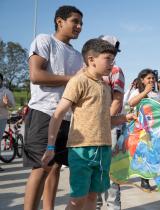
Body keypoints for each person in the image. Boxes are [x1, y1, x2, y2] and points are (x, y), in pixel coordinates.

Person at [41, 38, 134, 210]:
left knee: (92, 197)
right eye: (108, 59)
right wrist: (50, 146)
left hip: (104, 149)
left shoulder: (106, 87)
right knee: (77, 199)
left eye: (113, 60)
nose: (112, 64)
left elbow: (105, 120)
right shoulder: (79, 81)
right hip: (81, 149)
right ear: (91, 59)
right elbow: (58, 113)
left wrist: (124, 118)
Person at [23, 6, 84, 210]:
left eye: (81, 23)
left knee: (56, 167)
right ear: (60, 21)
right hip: (44, 112)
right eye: (75, 21)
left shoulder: (77, 55)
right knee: (42, 167)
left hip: (66, 118)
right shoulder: (44, 40)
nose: (79, 26)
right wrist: (72, 79)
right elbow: (36, 75)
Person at [96, 35, 125, 210]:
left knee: (110, 170)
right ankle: (96, 205)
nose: (110, 53)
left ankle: (113, 206)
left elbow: (117, 101)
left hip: (110, 127)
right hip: (91, 128)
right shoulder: (88, 69)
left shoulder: (115, 71)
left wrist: (104, 122)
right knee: (95, 170)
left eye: (113, 50)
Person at [128, 68, 160, 192]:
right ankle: (145, 181)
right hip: (141, 130)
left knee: (158, 155)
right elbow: (131, 103)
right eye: (149, 78)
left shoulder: (157, 94)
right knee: (145, 155)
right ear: (142, 80)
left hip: (156, 129)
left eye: (153, 78)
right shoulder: (137, 91)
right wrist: (145, 92)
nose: (152, 80)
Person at [0, 73, 16, 173]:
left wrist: (7, 103)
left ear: (1, 80)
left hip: (1, 118)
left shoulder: (6, 92)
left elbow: (12, 106)